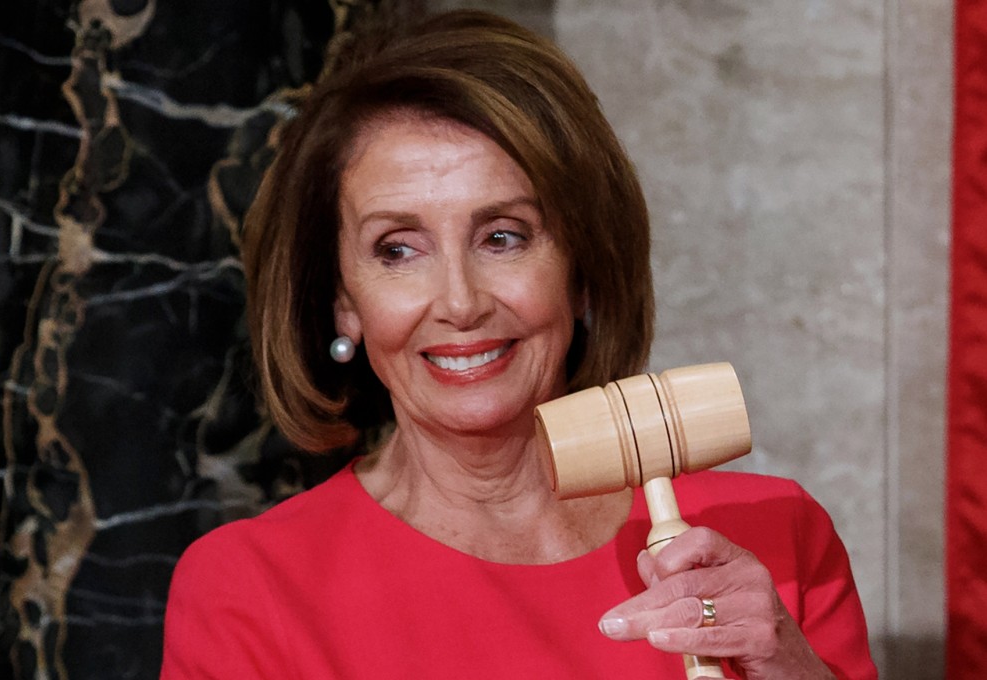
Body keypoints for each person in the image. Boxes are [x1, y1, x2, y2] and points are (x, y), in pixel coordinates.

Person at [160, 9, 877, 679]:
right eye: (398, 250)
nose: (462, 302)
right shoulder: (249, 590)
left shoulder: (772, 538)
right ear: (342, 302)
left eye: (503, 237)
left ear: (583, 271)